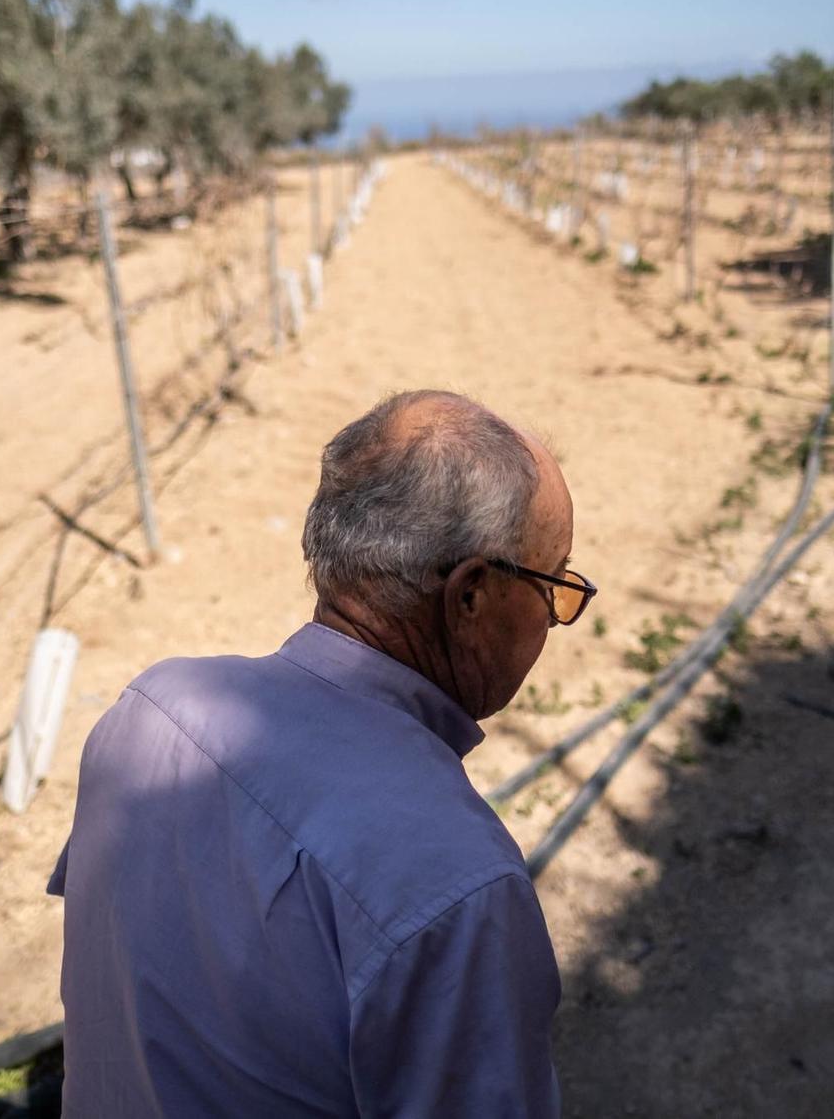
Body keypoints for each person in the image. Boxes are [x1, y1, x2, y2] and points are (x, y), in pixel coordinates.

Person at [49, 389, 594, 1116]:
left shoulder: (150, 708)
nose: (555, 620)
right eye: (553, 584)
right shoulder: (457, 885)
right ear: (470, 597)